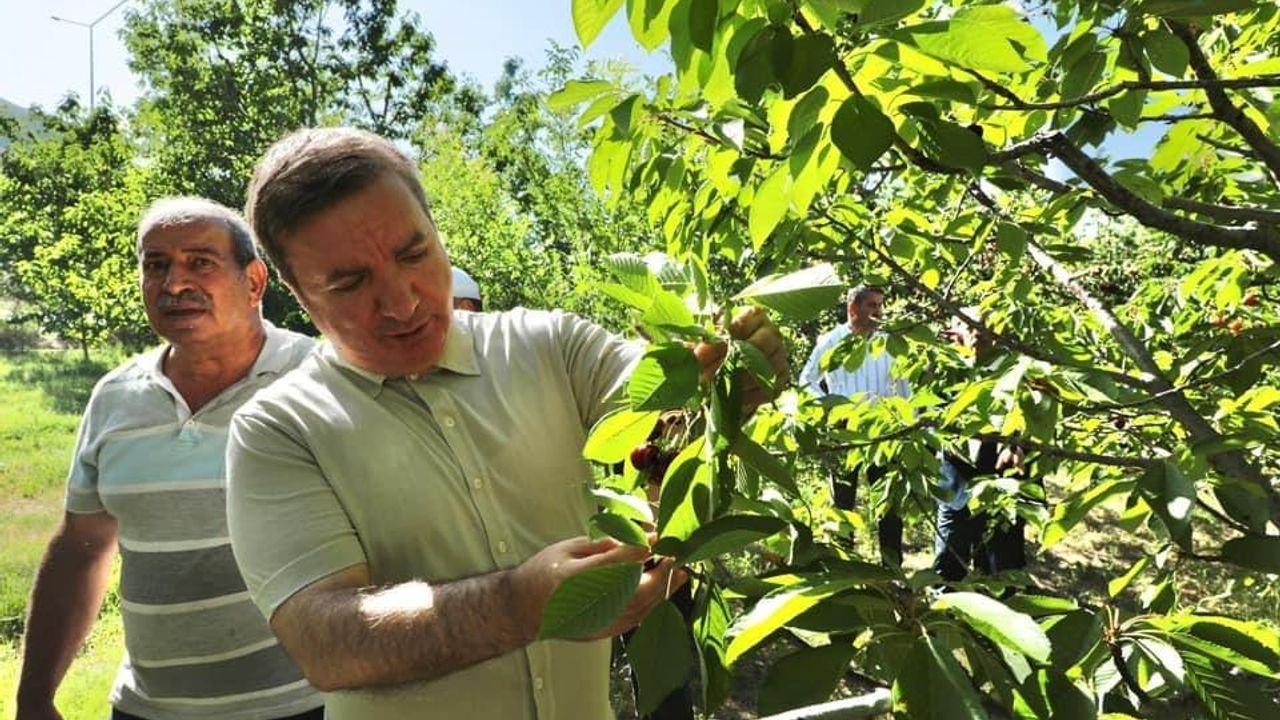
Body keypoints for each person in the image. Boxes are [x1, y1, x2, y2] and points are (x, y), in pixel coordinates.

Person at [225, 127, 788, 718]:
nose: (402, 302)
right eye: (350, 282)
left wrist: (728, 373)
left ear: (436, 232)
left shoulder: (551, 347)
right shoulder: (277, 429)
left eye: (414, 254)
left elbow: (665, 411)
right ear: (294, 291)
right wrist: (519, 607)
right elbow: (325, 643)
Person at [15, 198, 319, 720]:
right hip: (146, 709)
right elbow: (81, 550)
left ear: (254, 282)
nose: (174, 283)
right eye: (155, 265)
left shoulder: (320, 378)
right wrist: (34, 697)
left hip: (304, 704)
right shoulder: (115, 396)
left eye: (200, 262)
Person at [798, 285, 911, 566]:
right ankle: (842, 566)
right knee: (844, 500)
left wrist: (909, 422)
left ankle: (892, 568)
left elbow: (903, 383)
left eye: (880, 305)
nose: (878, 312)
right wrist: (831, 406)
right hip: (845, 428)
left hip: (886, 428)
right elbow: (806, 381)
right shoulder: (832, 341)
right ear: (853, 309)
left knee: (888, 501)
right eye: (872, 306)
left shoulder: (888, 341)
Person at [933, 317, 1030, 582]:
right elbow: (931, 419)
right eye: (971, 326)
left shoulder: (1017, 372)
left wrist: (1016, 444)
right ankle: (942, 618)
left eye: (986, 327)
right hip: (956, 483)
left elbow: (1029, 417)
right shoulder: (946, 371)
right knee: (947, 565)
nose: (979, 333)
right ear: (958, 334)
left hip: (1003, 482)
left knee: (1002, 567)